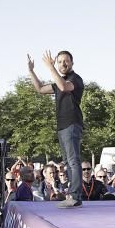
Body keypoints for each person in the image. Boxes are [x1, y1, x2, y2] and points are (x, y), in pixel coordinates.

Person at [27, 50, 85, 208]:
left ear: (72, 63)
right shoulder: (59, 81)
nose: (62, 64)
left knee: (73, 160)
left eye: (66, 61)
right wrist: (31, 71)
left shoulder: (75, 79)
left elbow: (64, 87)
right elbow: (39, 88)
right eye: (59, 62)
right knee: (67, 162)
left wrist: (50, 67)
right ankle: (72, 195)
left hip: (72, 123)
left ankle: (75, 196)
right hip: (62, 126)